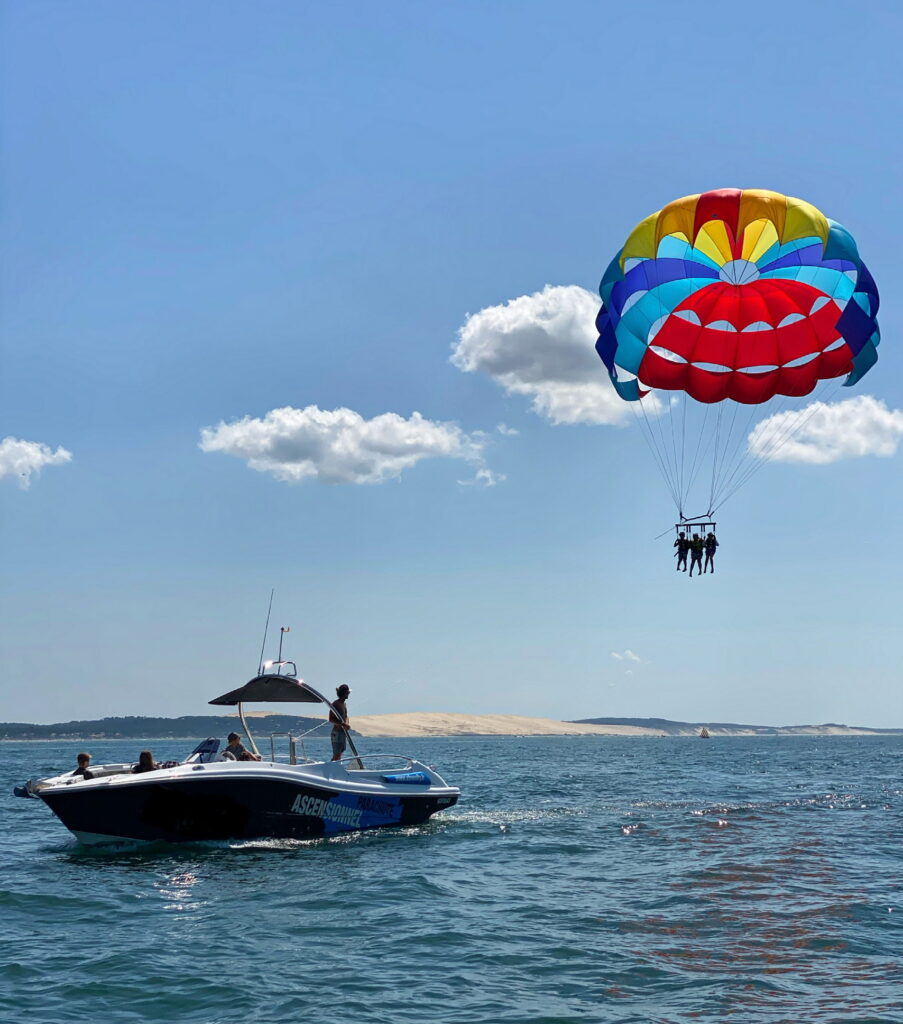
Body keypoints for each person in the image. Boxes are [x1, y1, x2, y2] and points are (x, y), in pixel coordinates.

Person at [329, 684, 351, 761]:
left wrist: (347, 724)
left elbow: (345, 716)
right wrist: (342, 724)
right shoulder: (335, 704)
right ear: (344, 693)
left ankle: (337, 767)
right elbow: (331, 719)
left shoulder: (344, 704)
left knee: (341, 752)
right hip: (337, 732)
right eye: (348, 693)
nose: (349, 694)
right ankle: (331, 768)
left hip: (342, 732)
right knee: (336, 754)